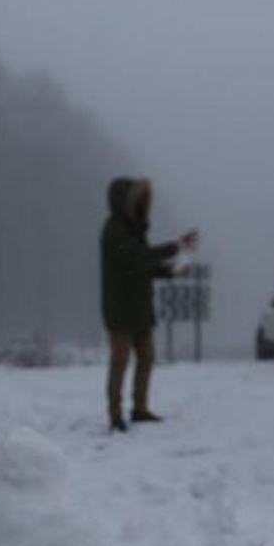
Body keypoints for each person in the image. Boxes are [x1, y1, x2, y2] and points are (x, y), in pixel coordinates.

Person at [100, 177, 198, 433]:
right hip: (120, 309)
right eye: (136, 200)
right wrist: (175, 246)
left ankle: (140, 409)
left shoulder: (134, 232)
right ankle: (115, 414)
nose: (141, 205)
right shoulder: (113, 232)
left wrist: (169, 272)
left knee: (146, 358)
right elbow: (136, 258)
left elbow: (143, 266)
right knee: (119, 362)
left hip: (141, 308)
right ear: (124, 203)